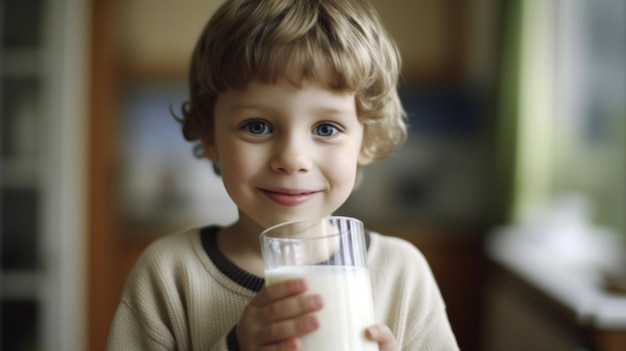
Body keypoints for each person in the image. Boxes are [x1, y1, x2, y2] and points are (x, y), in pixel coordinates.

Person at [107, 0, 459, 350]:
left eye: (325, 128)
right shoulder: (169, 275)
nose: (292, 159)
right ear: (209, 136)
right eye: (257, 126)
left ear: (367, 139)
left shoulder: (401, 274)